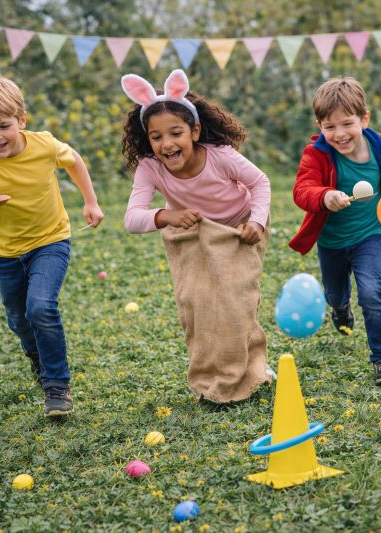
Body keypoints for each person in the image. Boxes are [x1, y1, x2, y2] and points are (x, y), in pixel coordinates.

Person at [0, 75, 104, 417]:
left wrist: (91, 201)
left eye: (4, 125)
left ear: (21, 120)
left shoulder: (43, 144)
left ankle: (57, 386)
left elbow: (74, 159)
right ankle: (35, 354)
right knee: (18, 318)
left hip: (50, 240)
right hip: (5, 252)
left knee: (41, 308)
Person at [121, 69, 272, 404]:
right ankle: (208, 379)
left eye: (176, 133)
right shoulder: (150, 167)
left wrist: (257, 223)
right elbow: (132, 218)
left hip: (239, 228)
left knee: (236, 302)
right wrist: (167, 215)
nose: (166, 144)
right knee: (197, 303)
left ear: (195, 130)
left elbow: (260, 183)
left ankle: (253, 370)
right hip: (193, 233)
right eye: (156, 137)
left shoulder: (219, 156)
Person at [289, 77, 381, 386]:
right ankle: (340, 308)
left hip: (371, 234)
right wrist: (324, 196)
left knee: (371, 292)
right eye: (329, 127)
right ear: (319, 125)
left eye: (346, 124)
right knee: (335, 292)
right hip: (332, 241)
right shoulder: (316, 154)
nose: (339, 134)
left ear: (364, 118)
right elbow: (302, 190)